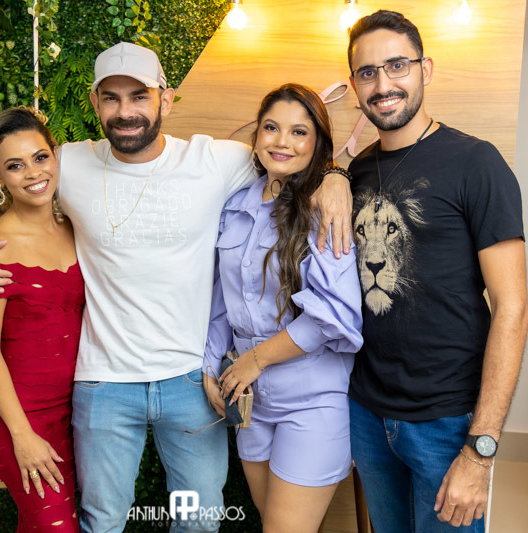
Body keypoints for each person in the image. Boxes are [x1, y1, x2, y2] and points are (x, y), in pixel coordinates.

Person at [0, 42, 351, 533]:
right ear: (95, 103)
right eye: (111, 98)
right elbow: (19, 192)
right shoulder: (66, 163)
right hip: (102, 384)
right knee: (103, 522)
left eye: (139, 95)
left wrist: (335, 176)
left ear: (167, 98)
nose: (126, 111)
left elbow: (290, 155)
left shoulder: (217, 160)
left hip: (190, 381)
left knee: (199, 521)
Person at [344, 10, 528, 532]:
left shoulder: (476, 162)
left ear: (425, 68)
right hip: (367, 411)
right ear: (354, 85)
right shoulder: (357, 171)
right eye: (367, 72)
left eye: (396, 65)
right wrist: (335, 172)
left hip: (449, 421)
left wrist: (480, 448)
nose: (383, 84)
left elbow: (513, 308)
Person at [202, 83, 363, 532]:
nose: (282, 142)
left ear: (318, 143)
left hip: (311, 399)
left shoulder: (325, 208)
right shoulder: (234, 206)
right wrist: (209, 367)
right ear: (256, 134)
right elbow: (222, 300)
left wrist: (254, 359)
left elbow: (332, 316)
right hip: (249, 400)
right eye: (271, 127)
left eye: (299, 132)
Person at [0, 106, 82, 532]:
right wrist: (22, 434)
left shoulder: (75, 227)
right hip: (13, 413)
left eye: (40, 157)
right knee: (55, 526)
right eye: (15, 165)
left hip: (74, 408)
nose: (33, 172)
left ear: (55, 154)